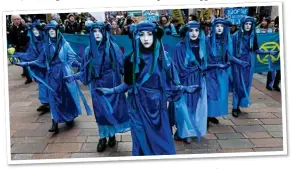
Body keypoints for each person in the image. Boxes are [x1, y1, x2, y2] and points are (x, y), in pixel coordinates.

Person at [95, 21, 200, 155]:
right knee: (140, 143)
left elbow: (171, 85)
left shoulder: (163, 58)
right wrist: (110, 91)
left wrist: (185, 89)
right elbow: (128, 84)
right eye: (141, 34)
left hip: (157, 108)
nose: (145, 38)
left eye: (149, 34)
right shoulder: (131, 59)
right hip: (136, 107)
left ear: (155, 35)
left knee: (162, 145)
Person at [13, 20, 91, 133]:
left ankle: (69, 117)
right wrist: (25, 63)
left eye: (53, 30)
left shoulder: (65, 44)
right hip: (52, 75)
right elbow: (40, 61)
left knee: (66, 96)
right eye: (49, 30)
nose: (51, 32)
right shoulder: (46, 46)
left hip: (65, 74)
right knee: (54, 98)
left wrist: (83, 66)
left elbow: (72, 59)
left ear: (57, 30)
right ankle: (55, 122)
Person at [63, 22, 130, 152]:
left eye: (100, 31)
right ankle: (102, 137)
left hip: (112, 85)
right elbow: (84, 70)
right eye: (94, 32)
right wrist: (74, 77)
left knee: (113, 111)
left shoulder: (113, 48)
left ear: (105, 32)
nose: (97, 34)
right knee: (100, 112)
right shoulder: (89, 50)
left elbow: (123, 68)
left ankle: (112, 136)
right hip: (97, 86)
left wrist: (132, 80)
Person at [231, 16, 279, 117]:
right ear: (243, 24)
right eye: (246, 24)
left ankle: (239, 105)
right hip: (238, 64)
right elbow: (231, 54)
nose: (248, 26)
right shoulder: (235, 36)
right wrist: (238, 62)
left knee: (246, 85)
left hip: (249, 64)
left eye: (250, 24)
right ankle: (234, 107)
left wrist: (269, 52)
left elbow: (256, 50)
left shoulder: (253, 36)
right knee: (238, 85)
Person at [169, 21, 208, 144]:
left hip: (199, 80)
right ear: (186, 32)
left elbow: (205, 63)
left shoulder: (202, 45)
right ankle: (184, 132)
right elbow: (177, 67)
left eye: (196, 30)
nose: (194, 33)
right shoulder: (179, 47)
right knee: (185, 107)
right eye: (191, 30)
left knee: (197, 106)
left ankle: (193, 130)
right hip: (185, 81)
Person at [12, 20, 50, 113]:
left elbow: (42, 59)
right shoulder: (33, 43)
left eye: (37, 30)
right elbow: (30, 54)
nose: (35, 32)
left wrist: (26, 63)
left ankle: (53, 103)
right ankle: (45, 103)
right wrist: (16, 55)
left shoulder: (47, 42)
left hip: (49, 68)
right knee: (42, 84)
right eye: (33, 31)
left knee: (50, 84)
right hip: (40, 68)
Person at [205, 18, 232, 125]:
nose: (219, 28)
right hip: (210, 72)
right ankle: (206, 117)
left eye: (221, 26)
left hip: (223, 72)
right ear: (213, 27)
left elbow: (229, 56)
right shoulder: (207, 40)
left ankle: (212, 114)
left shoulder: (226, 40)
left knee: (220, 94)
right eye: (217, 26)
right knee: (210, 94)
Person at [9, 15, 32, 84]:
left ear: (20, 19)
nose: (17, 21)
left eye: (18, 19)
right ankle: (26, 73)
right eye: (15, 19)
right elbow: (12, 39)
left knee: (28, 62)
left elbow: (29, 37)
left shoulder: (25, 27)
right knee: (22, 62)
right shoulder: (12, 28)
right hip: (18, 48)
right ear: (13, 20)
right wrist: (13, 46)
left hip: (26, 47)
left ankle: (29, 77)